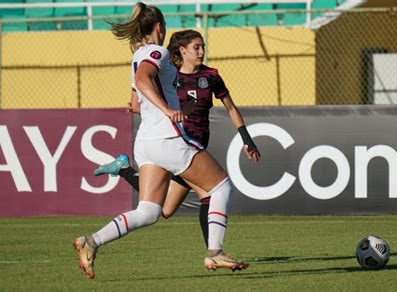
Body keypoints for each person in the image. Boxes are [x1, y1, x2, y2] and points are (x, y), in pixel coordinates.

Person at [73, 3, 248, 279]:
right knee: (220, 187)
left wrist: (163, 103)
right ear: (159, 27)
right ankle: (215, 253)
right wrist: (167, 110)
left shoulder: (137, 55)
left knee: (149, 211)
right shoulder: (158, 52)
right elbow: (144, 78)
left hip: (145, 141)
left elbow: (135, 101)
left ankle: (91, 241)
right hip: (166, 137)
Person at [93, 29, 261, 249]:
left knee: (164, 210)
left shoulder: (210, 76)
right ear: (182, 50)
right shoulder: (170, 76)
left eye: (203, 47)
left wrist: (246, 139)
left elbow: (231, 107)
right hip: (177, 145)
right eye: (196, 47)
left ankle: (123, 169)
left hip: (193, 145)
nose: (201, 51)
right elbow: (143, 101)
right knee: (210, 192)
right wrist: (149, 109)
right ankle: (214, 251)